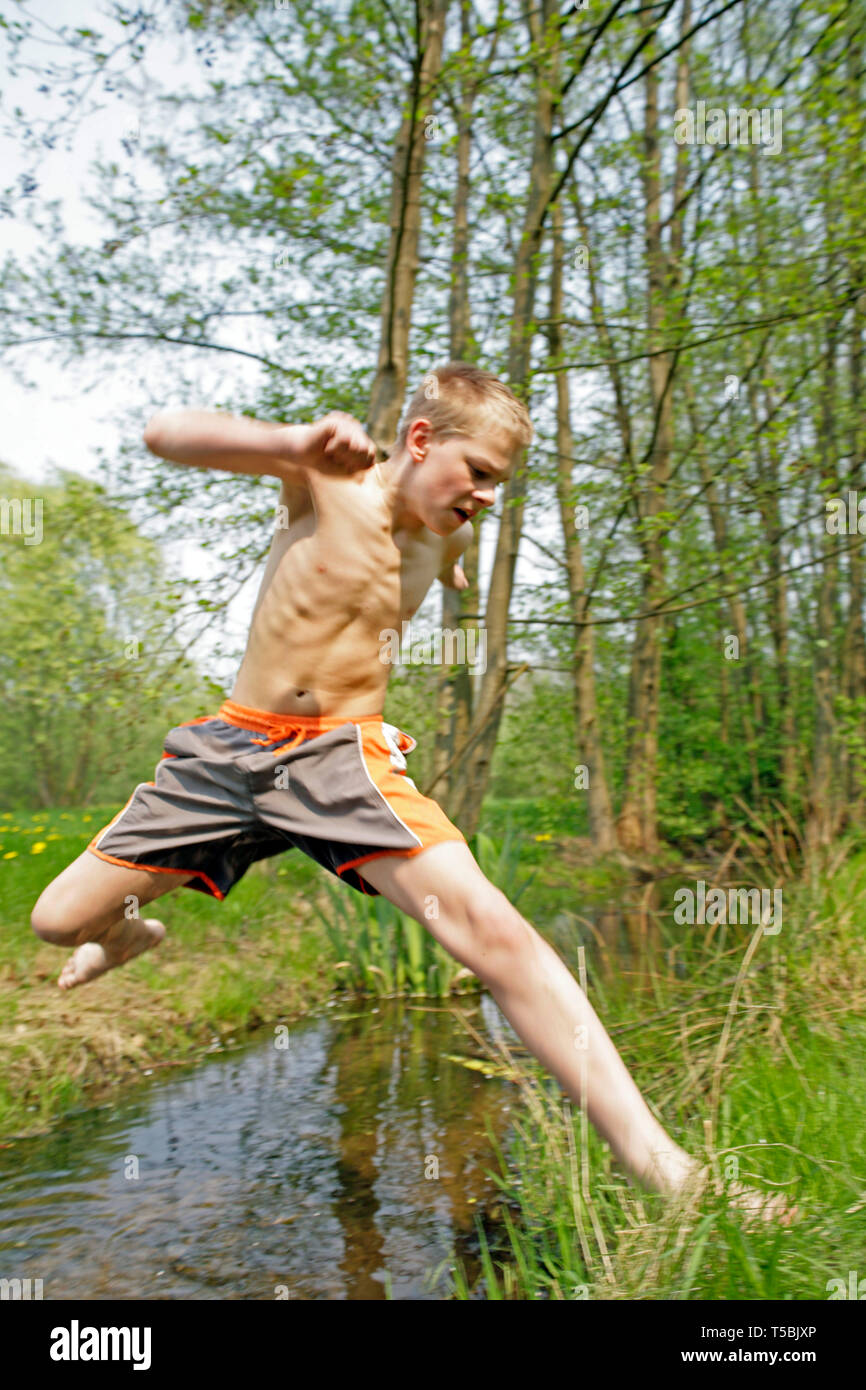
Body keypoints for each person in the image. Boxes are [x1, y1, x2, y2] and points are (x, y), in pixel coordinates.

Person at [30, 361, 796, 1226]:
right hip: (232, 750)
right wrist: (286, 441)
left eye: (499, 487)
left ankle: (669, 1172)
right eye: (478, 475)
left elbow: (423, 568)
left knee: (495, 935)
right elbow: (166, 436)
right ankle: (134, 933)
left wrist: (452, 570)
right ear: (421, 439)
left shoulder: (446, 534)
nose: (484, 499)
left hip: (339, 760)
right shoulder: (329, 479)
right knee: (56, 921)